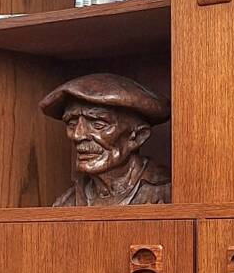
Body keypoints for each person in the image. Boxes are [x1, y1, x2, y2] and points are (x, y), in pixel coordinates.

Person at [39, 73, 171, 206]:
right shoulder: (66, 203)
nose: (77, 135)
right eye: (72, 124)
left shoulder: (168, 193)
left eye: (98, 125)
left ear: (137, 136)